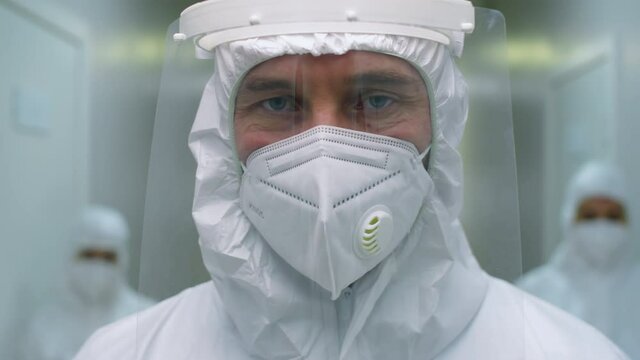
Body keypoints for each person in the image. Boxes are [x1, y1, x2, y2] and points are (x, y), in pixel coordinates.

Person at [76, 0, 628, 358]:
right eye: (277, 101)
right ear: (222, 136)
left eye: (377, 99)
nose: (324, 150)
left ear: (444, 122)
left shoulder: (566, 352)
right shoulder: (129, 351)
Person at [518, 161, 640, 358]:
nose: (602, 226)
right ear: (569, 219)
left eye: (613, 216)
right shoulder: (533, 293)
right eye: (590, 216)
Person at [23, 205, 155, 360]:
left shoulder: (150, 319)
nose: (97, 266)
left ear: (123, 260)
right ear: (71, 256)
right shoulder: (44, 327)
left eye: (108, 257)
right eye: (88, 255)